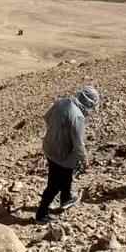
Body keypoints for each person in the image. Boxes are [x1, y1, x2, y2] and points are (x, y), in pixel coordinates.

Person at [36, 85, 100, 222]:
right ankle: (41, 214)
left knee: (66, 175)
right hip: (62, 154)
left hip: (49, 146)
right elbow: (78, 144)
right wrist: (85, 160)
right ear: (89, 103)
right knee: (54, 184)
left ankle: (66, 199)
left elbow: (47, 117)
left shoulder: (62, 102)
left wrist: (57, 132)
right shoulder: (78, 116)